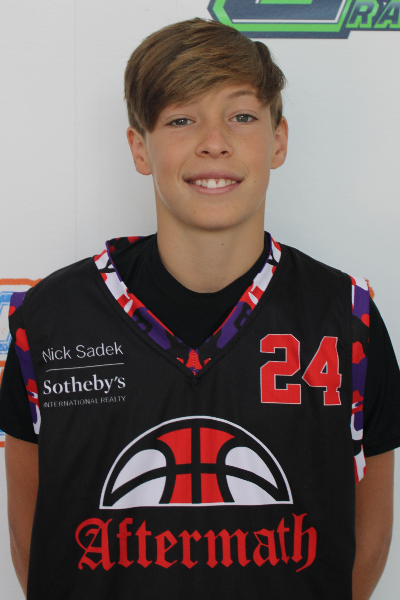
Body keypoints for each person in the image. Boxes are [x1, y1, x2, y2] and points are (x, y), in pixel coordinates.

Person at [1, 17, 399, 600]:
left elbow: (366, 542)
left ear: (279, 140)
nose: (215, 141)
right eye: (182, 119)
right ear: (140, 147)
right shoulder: (51, 318)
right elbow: (35, 541)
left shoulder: (346, 318)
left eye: (242, 116)